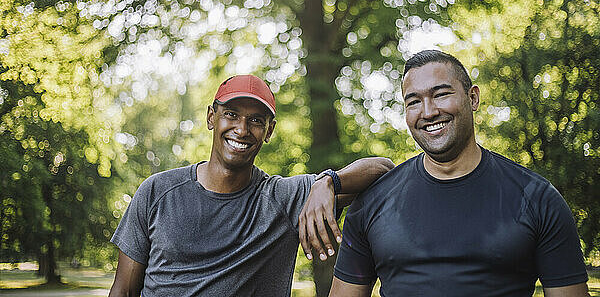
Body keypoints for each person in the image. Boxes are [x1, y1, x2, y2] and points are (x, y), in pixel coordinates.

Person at [330, 50, 590, 297]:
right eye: (414, 102)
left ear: (473, 98)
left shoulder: (537, 199)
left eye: (441, 94)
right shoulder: (371, 203)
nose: (429, 112)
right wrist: (325, 183)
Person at [108, 74, 394, 297]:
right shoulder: (157, 192)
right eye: (231, 114)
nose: (242, 129)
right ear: (212, 117)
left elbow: (383, 169)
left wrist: (329, 181)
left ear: (268, 130)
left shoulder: (283, 198)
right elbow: (124, 290)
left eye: (255, 120)